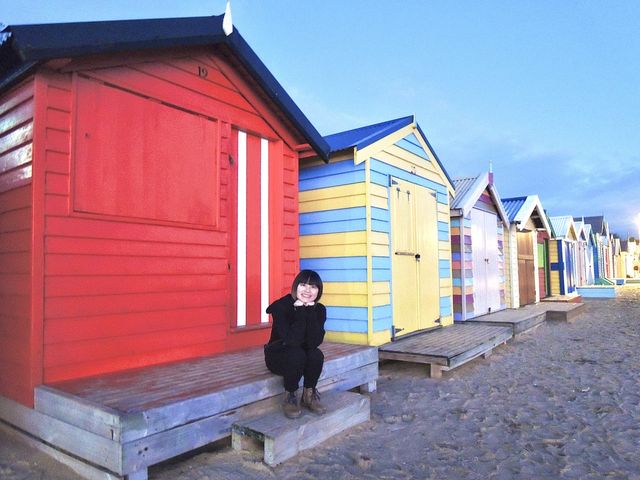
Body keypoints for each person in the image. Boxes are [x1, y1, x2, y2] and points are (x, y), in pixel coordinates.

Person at [264, 269, 327, 418]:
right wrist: (299, 311)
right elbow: (292, 341)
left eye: (313, 287)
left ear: (318, 291)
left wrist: (310, 312)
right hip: (279, 354)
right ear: (295, 286)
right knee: (296, 353)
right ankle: (290, 395)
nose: (307, 290)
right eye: (303, 285)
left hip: (302, 354)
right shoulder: (281, 306)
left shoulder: (319, 310)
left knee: (316, 355)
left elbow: (314, 342)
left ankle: (308, 394)